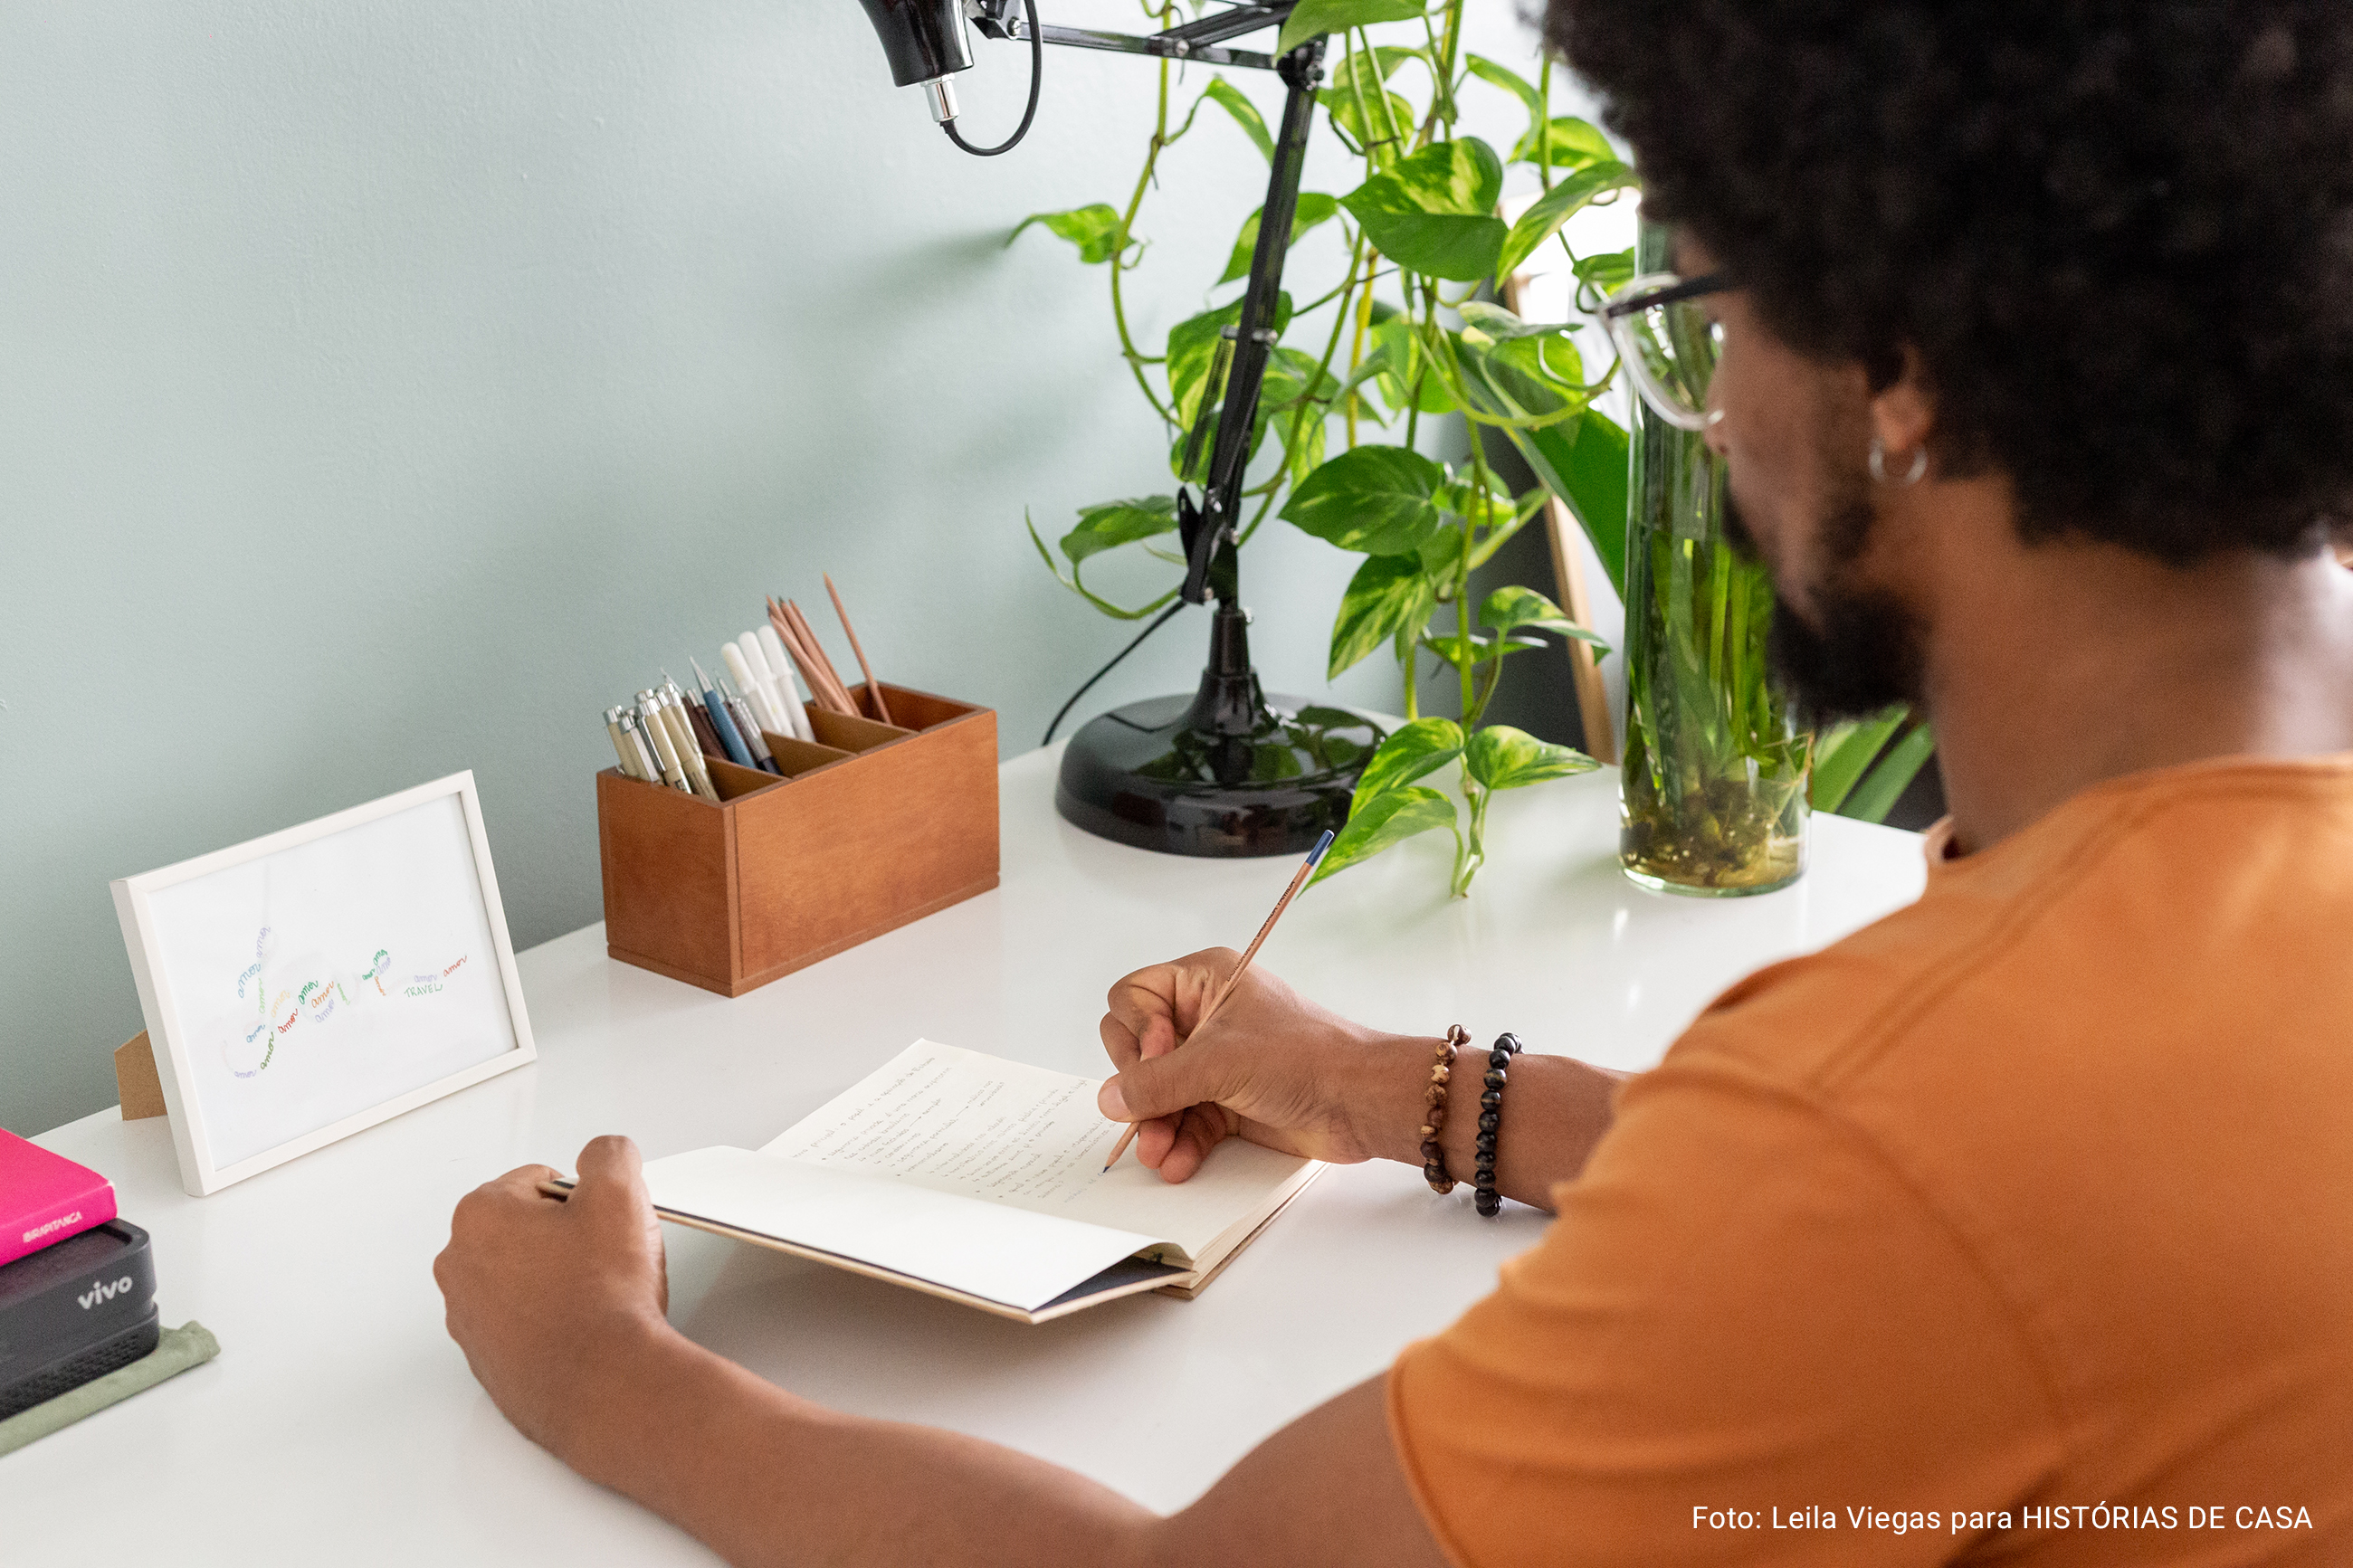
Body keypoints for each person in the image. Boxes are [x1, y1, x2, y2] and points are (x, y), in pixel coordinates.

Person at [433, 4, 2353, 1563]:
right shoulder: (2192, 878)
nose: (1713, 423)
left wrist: (606, 1370)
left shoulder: (1916, 1121)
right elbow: (1995, 1235)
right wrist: (1390, 1089)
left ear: (1895, 365)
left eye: (1694, 315)